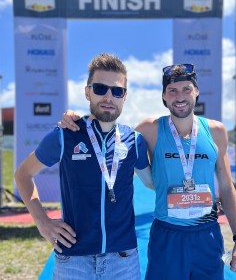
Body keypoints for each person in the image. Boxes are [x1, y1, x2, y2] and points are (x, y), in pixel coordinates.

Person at [59, 63, 236, 280]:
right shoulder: (149, 129)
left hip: (207, 235)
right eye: (172, 90)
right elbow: (109, 134)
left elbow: (225, 185)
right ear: (164, 97)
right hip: (166, 235)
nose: (180, 96)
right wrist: (77, 119)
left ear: (196, 91)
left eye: (186, 89)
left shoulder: (216, 131)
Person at [15, 53, 153, 280]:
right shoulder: (65, 134)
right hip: (73, 260)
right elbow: (23, 174)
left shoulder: (134, 140)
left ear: (124, 97)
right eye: (100, 88)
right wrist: (42, 221)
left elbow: (154, 183)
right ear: (87, 91)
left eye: (116, 91)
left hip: (123, 260)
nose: (109, 96)